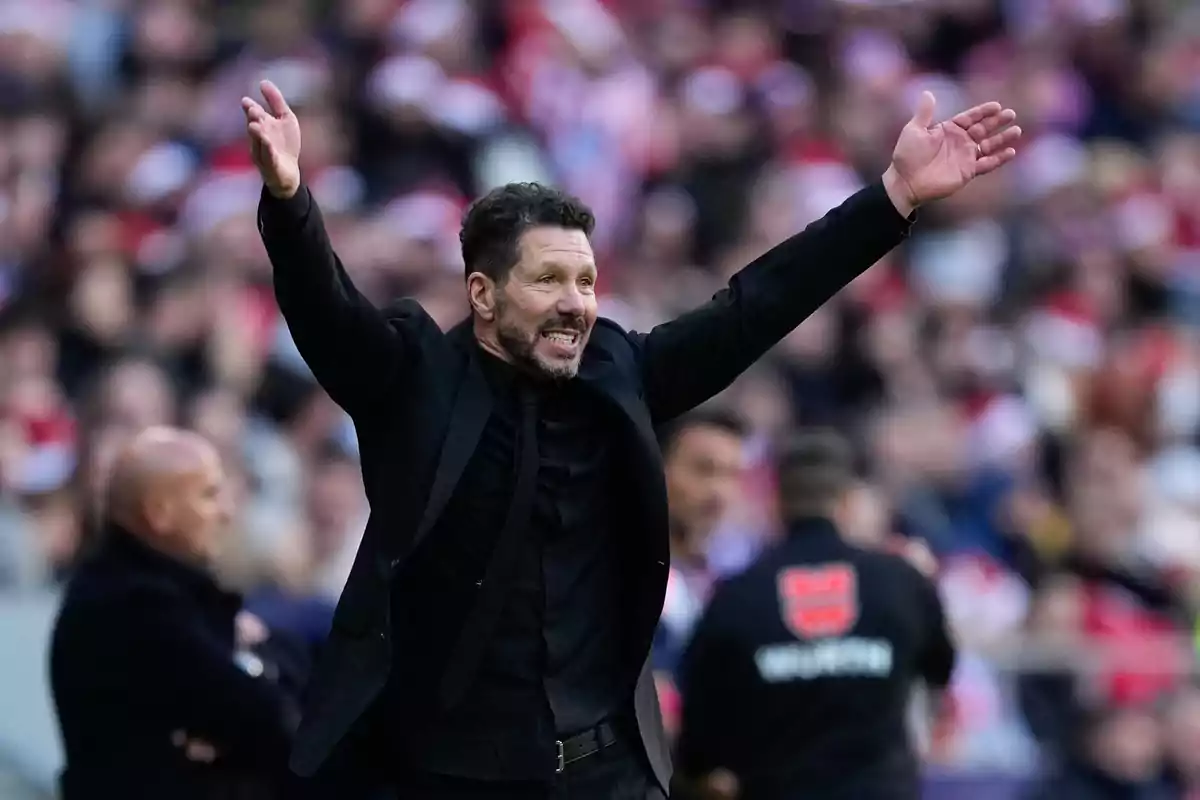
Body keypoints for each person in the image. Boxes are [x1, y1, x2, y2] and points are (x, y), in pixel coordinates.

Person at [242, 76, 1019, 798]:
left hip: (603, 773)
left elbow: (755, 306)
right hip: (435, 776)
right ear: (482, 293)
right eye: (548, 280)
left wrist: (892, 199)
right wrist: (288, 200)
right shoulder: (413, 375)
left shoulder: (620, 370)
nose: (575, 303)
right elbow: (329, 314)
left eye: (585, 281)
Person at [675, 430, 956, 800]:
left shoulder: (735, 596)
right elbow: (941, 668)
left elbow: (699, 730)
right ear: (849, 503)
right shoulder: (902, 581)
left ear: (775, 503)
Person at [49, 426, 300, 799]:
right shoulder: (131, 607)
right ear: (159, 513)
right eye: (210, 495)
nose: (226, 513)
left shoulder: (165, 594)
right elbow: (269, 721)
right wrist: (254, 669)